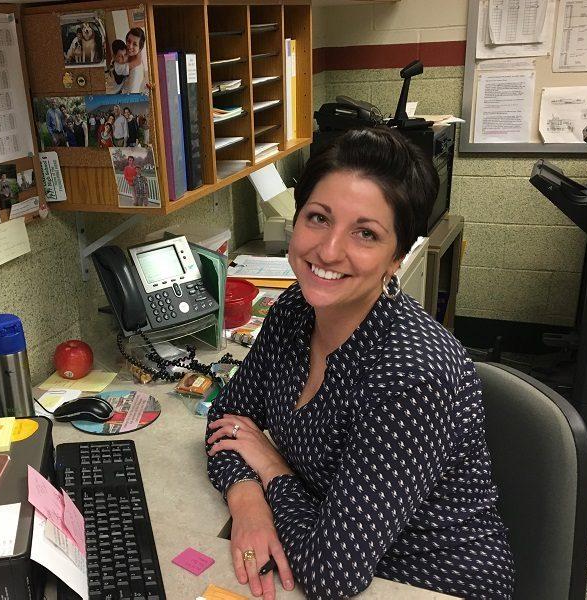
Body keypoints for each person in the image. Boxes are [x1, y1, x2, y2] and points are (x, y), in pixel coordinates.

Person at [205, 127, 515, 600]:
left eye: (365, 233)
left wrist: (270, 467)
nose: (328, 251)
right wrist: (246, 499)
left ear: (396, 257)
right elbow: (227, 419)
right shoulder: (294, 310)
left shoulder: (413, 374)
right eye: (318, 218)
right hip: (325, 543)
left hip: (427, 581)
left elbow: (332, 576)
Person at [122, 27, 147, 94]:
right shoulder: (123, 56)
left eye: (135, 44)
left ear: (140, 49)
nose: (130, 46)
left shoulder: (136, 70)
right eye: (129, 41)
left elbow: (131, 95)